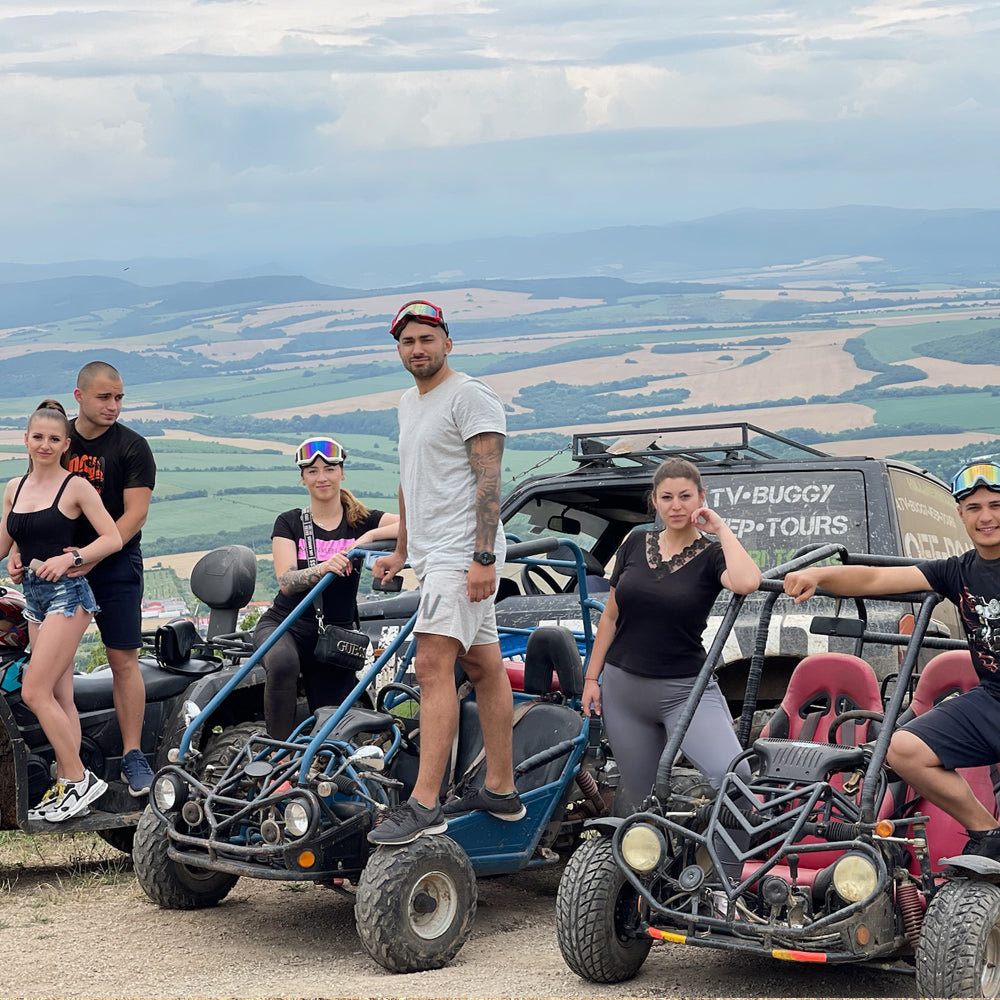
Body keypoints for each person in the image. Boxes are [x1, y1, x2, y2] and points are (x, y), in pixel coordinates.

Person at [783, 459, 1000, 859]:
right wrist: (820, 577)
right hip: (993, 699)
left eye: (995, 506)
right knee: (901, 748)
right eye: (974, 508)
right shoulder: (958, 571)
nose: (986, 517)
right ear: (961, 515)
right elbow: (874, 579)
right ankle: (989, 835)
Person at [369, 299, 524, 845]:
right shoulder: (410, 403)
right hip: (434, 556)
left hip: (463, 553)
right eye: (408, 341)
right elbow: (410, 484)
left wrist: (483, 558)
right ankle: (501, 790)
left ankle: (424, 804)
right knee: (483, 668)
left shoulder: (470, 396)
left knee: (433, 667)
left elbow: (489, 483)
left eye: (427, 339)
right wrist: (400, 552)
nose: (418, 349)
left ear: (448, 342)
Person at [10, 362, 158, 796]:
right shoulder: (56, 436)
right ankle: (70, 775)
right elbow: (31, 504)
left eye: (119, 398)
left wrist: (87, 558)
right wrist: (20, 551)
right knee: (56, 682)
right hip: (53, 575)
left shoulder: (133, 447)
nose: (112, 406)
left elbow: (134, 517)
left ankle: (132, 756)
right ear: (79, 397)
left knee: (122, 660)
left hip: (113, 568)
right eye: (103, 397)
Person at [582, 457, 761, 812]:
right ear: (654, 500)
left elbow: (747, 582)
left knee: (735, 780)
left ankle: (733, 868)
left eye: (685, 496)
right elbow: (611, 617)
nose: (676, 506)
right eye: (666, 497)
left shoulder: (712, 555)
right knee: (645, 802)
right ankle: (658, 866)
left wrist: (722, 530)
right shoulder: (634, 542)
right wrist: (591, 677)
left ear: (701, 498)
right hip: (623, 691)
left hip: (685, 691)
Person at [1, 400, 122, 821]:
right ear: (26, 439)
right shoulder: (14, 488)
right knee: (57, 695)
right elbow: (7, 543)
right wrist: (16, 556)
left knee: (33, 691)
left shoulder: (75, 486)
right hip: (33, 598)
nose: (45, 445)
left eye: (54, 439)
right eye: (38, 437)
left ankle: (78, 780)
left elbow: (111, 538)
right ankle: (69, 784)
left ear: (65, 443)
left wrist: (71, 559)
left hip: (67, 596)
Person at [253, 437, 399, 739]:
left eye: (329, 469)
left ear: (341, 473)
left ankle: (320, 769)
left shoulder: (361, 521)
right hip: (286, 624)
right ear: (303, 479)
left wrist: (368, 537)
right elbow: (287, 582)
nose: (322, 477)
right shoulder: (290, 522)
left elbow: (414, 523)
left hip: (335, 634)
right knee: (282, 663)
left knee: (329, 720)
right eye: (313, 471)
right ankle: (279, 754)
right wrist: (323, 567)